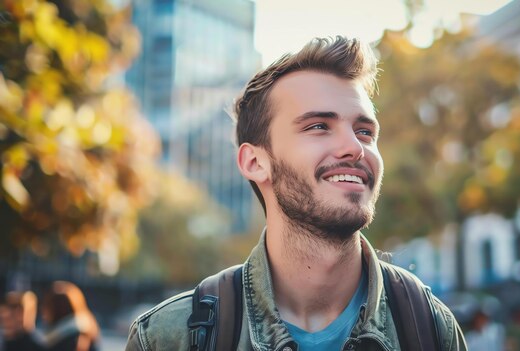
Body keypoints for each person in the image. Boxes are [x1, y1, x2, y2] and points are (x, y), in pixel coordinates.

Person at [126, 36, 466, 351]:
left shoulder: (430, 327)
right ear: (255, 162)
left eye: (364, 131)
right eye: (318, 126)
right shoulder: (169, 337)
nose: (354, 148)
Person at [0, 281, 100, 351]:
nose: (43, 313)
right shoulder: (74, 334)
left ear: (59, 310)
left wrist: (22, 333)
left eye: (47, 307)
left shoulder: (70, 341)